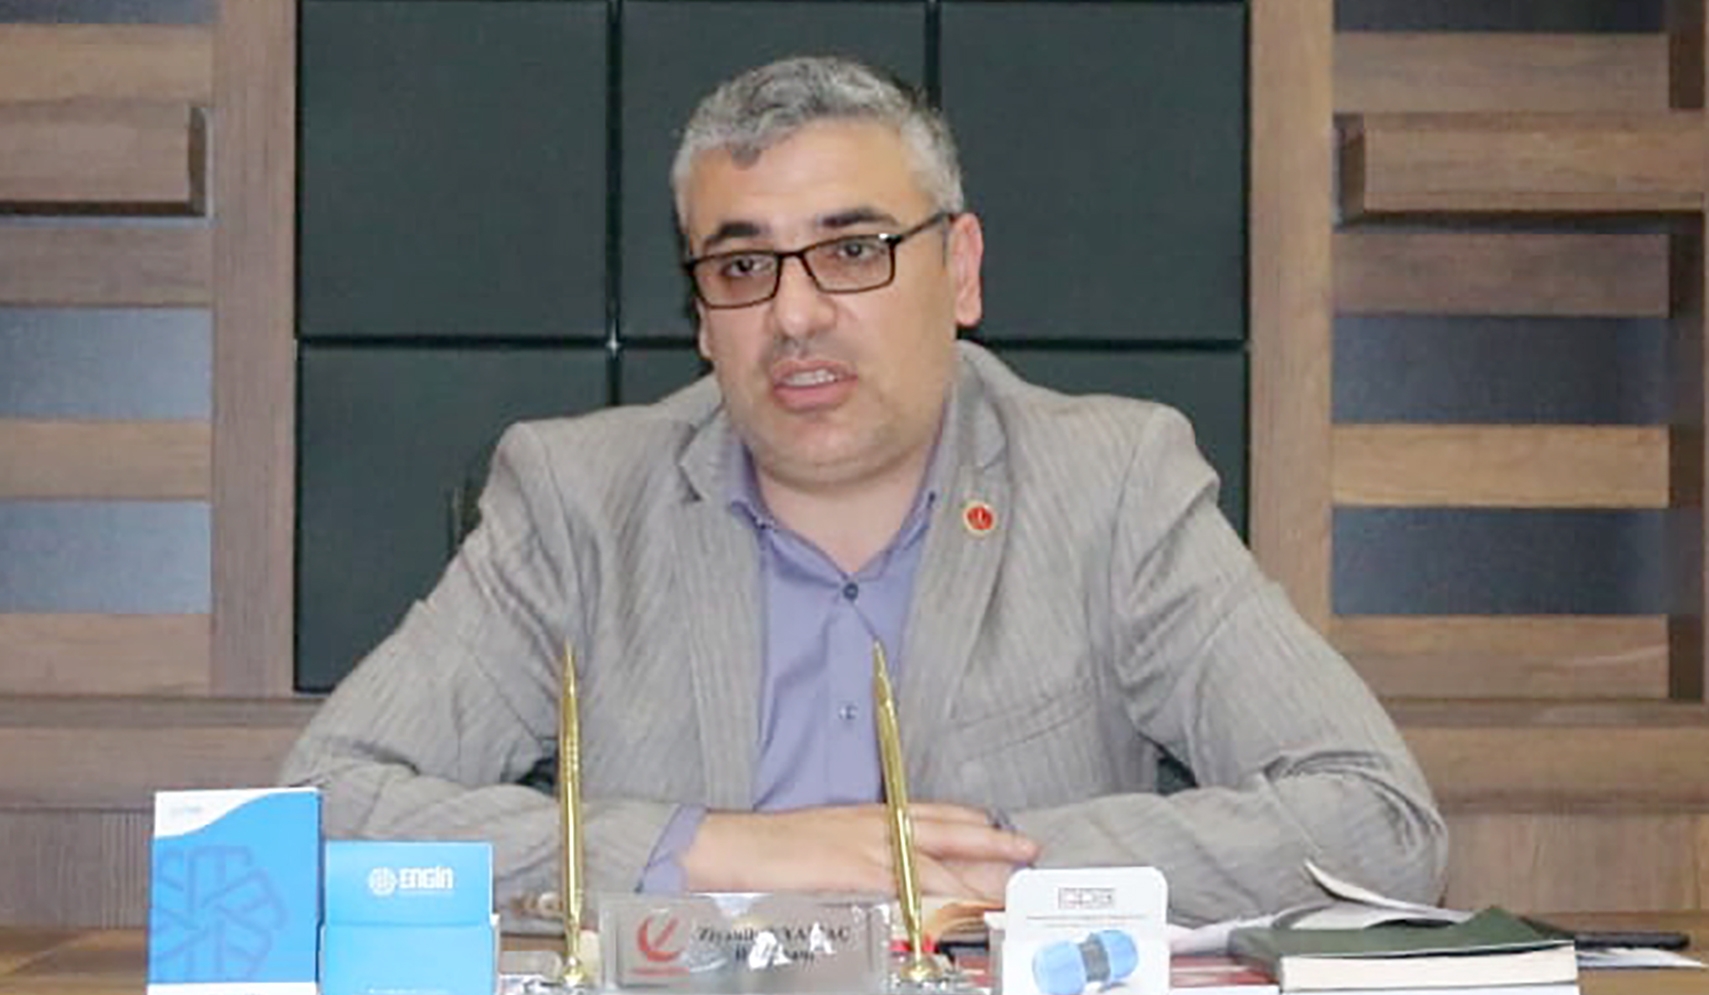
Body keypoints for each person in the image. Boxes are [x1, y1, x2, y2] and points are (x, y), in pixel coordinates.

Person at [281, 55, 1447, 926]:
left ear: (961, 269)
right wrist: (718, 850)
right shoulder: (575, 503)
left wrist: (981, 863)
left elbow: (1376, 822)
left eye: (852, 251)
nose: (794, 314)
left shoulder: (1111, 485)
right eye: (742, 265)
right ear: (701, 315)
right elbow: (319, 816)